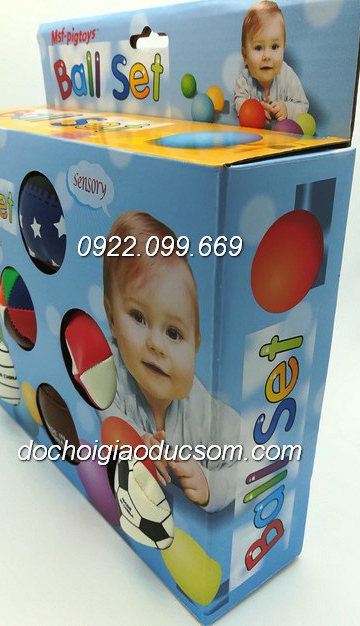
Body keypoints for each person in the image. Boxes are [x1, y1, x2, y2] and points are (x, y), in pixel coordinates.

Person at [101, 211, 238, 512]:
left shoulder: (200, 411)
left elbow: (256, 457)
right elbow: (106, 414)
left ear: (195, 346)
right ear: (111, 319)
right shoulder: (110, 372)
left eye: (174, 333)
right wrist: (136, 445)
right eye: (138, 317)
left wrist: (210, 485)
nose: (155, 344)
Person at [233, 0, 309, 125]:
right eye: (258, 48)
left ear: (283, 48)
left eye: (274, 47)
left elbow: (303, 105)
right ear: (245, 55)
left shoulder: (287, 76)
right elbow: (238, 102)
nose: (267, 56)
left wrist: (287, 109)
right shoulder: (245, 78)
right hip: (254, 135)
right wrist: (255, 110)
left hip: (282, 136)